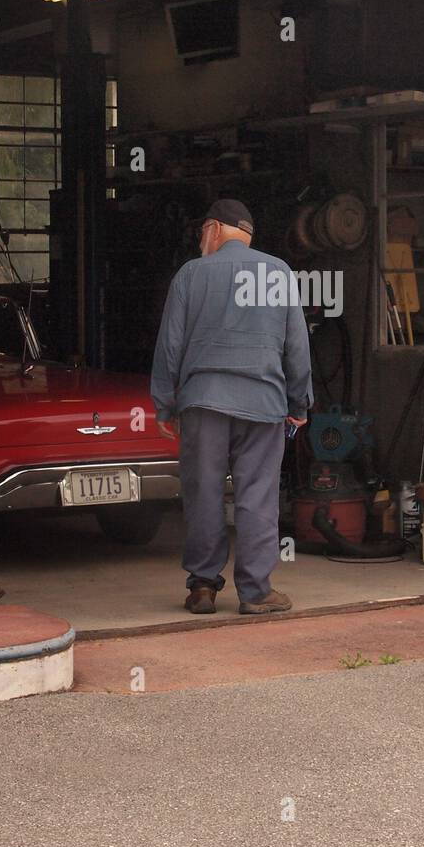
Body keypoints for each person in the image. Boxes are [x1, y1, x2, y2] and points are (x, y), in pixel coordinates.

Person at [151, 199, 312, 615]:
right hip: (263, 403)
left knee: (203, 492)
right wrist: (300, 401)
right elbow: (296, 343)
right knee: (257, 496)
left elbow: (169, 345)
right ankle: (256, 592)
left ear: (213, 229)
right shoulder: (277, 272)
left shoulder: (191, 274)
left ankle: (203, 587)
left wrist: (166, 405)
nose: (200, 241)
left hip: (203, 402)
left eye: (202, 233)